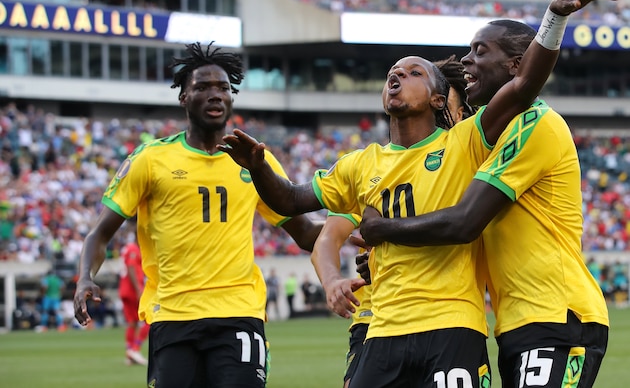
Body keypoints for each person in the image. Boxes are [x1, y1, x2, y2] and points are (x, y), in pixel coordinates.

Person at [220, 0, 581, 380]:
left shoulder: (465, 142)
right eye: (393, 73)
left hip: (452, 325)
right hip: (384, 329)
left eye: (412, 73)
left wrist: (554, 19)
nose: (397, 76)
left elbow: (523, 86)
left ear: (438, 99)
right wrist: (257, 167)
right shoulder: (359, 164)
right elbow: (288, 200)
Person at [357, 0, 617, 388]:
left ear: (516, 66)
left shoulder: (536, 123)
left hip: (558, 313)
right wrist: (383, 257)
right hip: (517, 324)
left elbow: (464, 222)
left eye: (480, 51)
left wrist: (383, 230)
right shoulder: (482, 142)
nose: (466, 59)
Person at [73, 41, 323, 388]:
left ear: (232, 96)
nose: (215, 95)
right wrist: (85, 275)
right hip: (174, 314)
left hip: (239, 311)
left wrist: (356, 228)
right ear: (183, 98)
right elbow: (99, 234)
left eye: (223, 87)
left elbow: (305, 232)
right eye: (202, 87)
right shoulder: (150, 160)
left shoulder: (254, 160)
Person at [310, 56, 477, 387]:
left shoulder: (464, 160)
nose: (452, 118)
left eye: (457, 111)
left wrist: (388, 234)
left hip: (445, 320)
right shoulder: (373, 166)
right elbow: (328, 237)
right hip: (376, 318)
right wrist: (333, 281)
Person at [119, 231, 150, 366]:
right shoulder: (133, 249)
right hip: (132, 289)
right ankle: (135, 349)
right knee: (150, 319)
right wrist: (138, 288)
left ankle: (129, 352)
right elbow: (131, 266)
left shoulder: (127, 248)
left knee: (132, 322)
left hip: (124, 288)